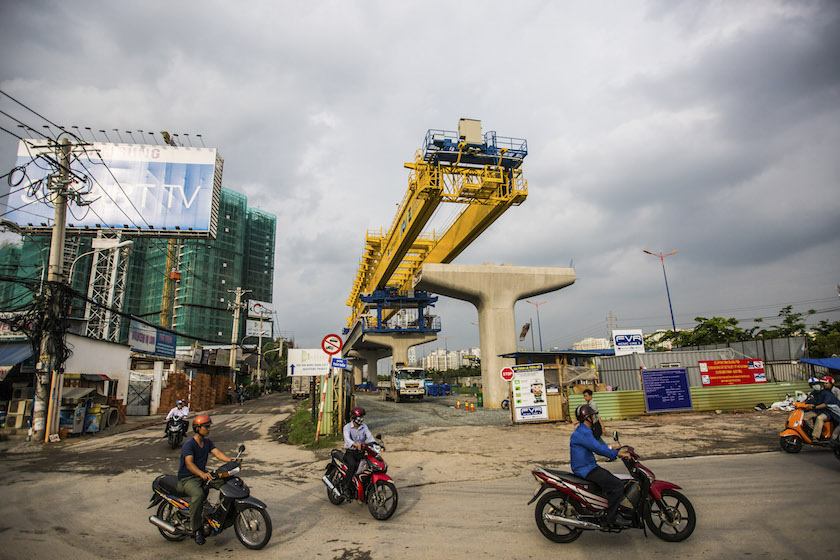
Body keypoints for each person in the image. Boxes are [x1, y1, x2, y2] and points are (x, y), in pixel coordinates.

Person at [176, 415, 236, 545]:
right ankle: (196, 529)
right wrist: (201, 473)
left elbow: (218, 454)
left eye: (209, 426)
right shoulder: (189, 444)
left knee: (225, 482)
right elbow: (189, 464)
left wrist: (231, 460)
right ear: (197, 428)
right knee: (198, 495)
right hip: (187, 479)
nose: (209, 429)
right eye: (206, 426)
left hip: (201, 475)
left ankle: (220, 515)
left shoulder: (207, 442)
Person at [570, 404, 631, 528]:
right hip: (586, 469)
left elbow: (595, 446)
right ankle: (612, 518)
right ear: (587, 418)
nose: (594, 418)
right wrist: (619, 454)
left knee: (609, 481)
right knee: (617, 485)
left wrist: (612, 448)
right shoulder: (583, 432)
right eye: (592, 416)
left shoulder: (584, 430)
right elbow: (598, 449)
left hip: (588, 466)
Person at [341, 406, 375, 499]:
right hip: (350, 453)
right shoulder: (347, 427)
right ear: (354, 417)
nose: (361, 419)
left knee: (367, 466)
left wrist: (376, 445)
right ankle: (346, 487)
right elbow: (347, 439)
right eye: (359, 417)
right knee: (352, 465)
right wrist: (355, 444)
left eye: (362, 417)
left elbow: (369, 437)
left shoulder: (364, 427)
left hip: (360, 453)